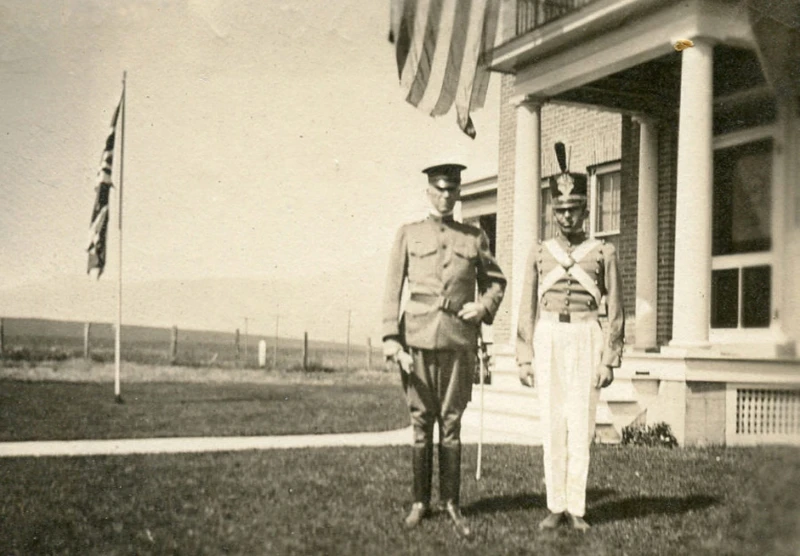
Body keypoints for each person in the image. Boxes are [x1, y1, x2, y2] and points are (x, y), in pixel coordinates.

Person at [382, 163, 506, 538]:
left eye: (452, 190)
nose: (445, 196)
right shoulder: (408, 233)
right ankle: (421, 502)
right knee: (421, 424)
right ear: (428, 192)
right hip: (417, 339)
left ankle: (451, 502)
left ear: (458, 193)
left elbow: (496, 282)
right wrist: (391, 337)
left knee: (451, 424)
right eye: (439, 189)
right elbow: (392, 289)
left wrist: (483, 308)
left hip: (457, 340)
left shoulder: (474, 237)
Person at [516, 142, 624, 532]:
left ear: (585, 210)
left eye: (573, 209)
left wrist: (608, 359)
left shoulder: (603, 252)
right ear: (552, 211)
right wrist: (524, 355)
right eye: (559, 210)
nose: (566, 216)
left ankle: (577, 505)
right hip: (548, 336)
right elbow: (526, 307)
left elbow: (616, 311)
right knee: (551, 423)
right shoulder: (539, 252)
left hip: (585, 336)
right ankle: (555, 505)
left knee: (582, 423)